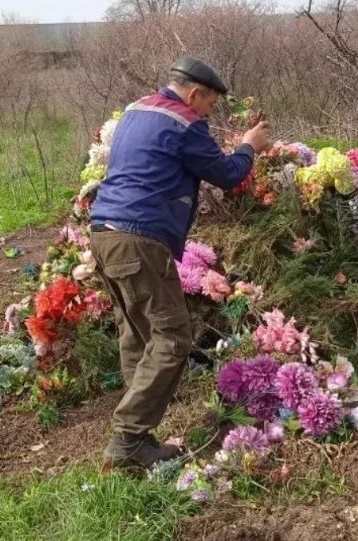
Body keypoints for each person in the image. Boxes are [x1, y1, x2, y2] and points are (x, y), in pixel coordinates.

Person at [89, 56, 271, 468]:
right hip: (140, 238)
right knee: (173, 337)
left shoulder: (137, 110)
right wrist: (249, 146)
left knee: (137, 335)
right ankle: (127, 440)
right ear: (194, 94)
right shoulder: (184, 122)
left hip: (104, 234)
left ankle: (137, 439)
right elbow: (227, 174)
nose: (207, 113)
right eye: (209, 104)